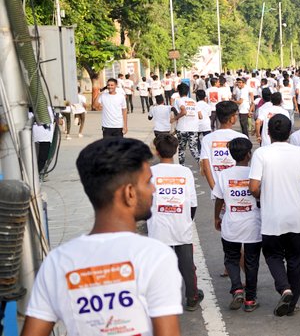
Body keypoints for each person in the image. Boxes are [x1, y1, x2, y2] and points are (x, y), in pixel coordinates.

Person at [22, 138, 183, 336]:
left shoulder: (57, 262)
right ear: (129, 193)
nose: (153, 189)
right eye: (148, 181)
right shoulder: (155, 256)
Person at [249, 114, 300, 317]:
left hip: (272, 216)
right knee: (296, 259)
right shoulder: (299, 152)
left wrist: (263, 194)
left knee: (273, 255)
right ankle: (291, 303)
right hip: (297, 215)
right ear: (289, 132)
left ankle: (284, 289)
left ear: (268, 132)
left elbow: (254, 186)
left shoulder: (261, 154)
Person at [148, 134, 202, 311]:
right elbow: (193, 203)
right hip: (181, 225)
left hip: (158, 226)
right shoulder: (185, 172)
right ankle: (192, 296)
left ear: (156, 151)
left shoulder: (151, 173)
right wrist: (187, 220)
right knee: (187, 264)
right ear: (176, 150)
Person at [212, 137, 262, 312]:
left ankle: (237, 288)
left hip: (231, 223)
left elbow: (218, 198)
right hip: (253, 225)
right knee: (252, 262)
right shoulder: (255, 174)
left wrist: (217, 217)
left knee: (231, 258)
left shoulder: (225, 174)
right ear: (249, 154)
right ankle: (250, 299)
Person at [199, 101, 248, 192]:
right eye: (236, 115)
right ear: (232, 118)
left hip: (217, 188)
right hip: (238, 190)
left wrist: (215, 190)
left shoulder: (207, 139)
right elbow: (245, 166)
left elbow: (206, 167)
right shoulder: (242, 138)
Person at [170, 83, 201, 164]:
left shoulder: (178, 100)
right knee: (194, 149)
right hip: (194, 128)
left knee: (181, 149)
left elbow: (183, 111)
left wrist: (174, 119)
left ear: (179, 92)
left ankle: (181, 167)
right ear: (187, 92)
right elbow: (200, 115)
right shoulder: (193, 101)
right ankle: (202, 164)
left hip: (182, 128)